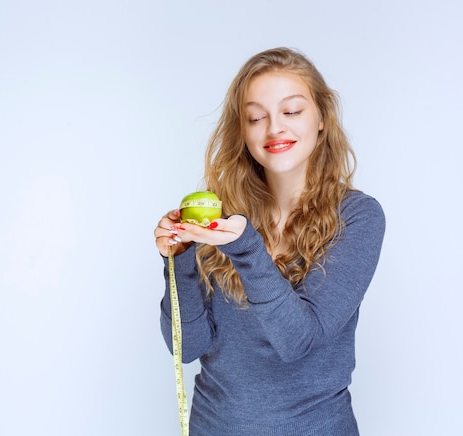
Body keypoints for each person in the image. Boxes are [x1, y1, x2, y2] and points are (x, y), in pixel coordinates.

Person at [153, 47, 385, 435]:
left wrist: (245, 250)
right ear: (243, 131)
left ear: (322, 118)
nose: (275, 128)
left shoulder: (357, 217)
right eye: (256, 117)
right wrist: (180, 259)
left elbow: (298, 340)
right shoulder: (221, 219)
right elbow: (187, 347)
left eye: (292, 111)